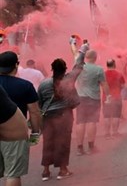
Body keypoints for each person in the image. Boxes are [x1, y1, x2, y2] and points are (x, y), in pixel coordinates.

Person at [38, 43, 88, 181]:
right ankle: (62, 170)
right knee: (63, 142)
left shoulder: (43, 84)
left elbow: (39, 103)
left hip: (48, 118)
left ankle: (46, 171)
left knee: (48, 142)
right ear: (65, 69)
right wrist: (83, 49)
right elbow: (78, 66)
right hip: (64, 116)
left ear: (52, 69)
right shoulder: (68, 80)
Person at [0, 51, 42, 186]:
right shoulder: (25, 85)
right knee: (13, 173)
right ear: (16, 65)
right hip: (15, 133)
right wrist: (35, 132)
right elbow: (34, 112)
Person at [75, 49, 111, 155]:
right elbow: (104, 84)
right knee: (91, 122)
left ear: (86, 57)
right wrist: (108, 96)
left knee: (80, 122)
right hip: (93, 98)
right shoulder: (98, 69)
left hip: (80, 97)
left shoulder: (79, 67)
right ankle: (91, 147)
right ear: (95, 58)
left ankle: (79, 148)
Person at [102, 59, 126, 139]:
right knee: (116, 116)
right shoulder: (119, 74)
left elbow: (101, 85)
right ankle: (115, 133)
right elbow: (123, 86)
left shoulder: (103, 74)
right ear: (114, 64)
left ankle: (106, 134)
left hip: (106, 98)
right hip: (117, 97)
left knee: (107, 116)